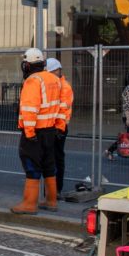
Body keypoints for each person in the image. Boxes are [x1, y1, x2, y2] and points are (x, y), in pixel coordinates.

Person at [11, 48, 61, 215]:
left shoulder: (33, 81)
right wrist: (59, 126)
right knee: (49, 166)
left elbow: (29, 109)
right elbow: (61, 107)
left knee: (32, 166)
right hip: (50, 130)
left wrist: (29, 132)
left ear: (27, 65)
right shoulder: (55, 79)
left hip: (35, 132)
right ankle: (51, 201)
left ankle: (29, 204)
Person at [47, 58, 73, 196]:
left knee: (57, 158)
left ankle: (56, 190)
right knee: (51, 159)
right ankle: (51, 190)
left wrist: (59, 129)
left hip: (59, 128)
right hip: (52, 126)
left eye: (50, 72)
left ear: (57, 71)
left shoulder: (64, 87)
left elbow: (63, 110)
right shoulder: (55, 84)